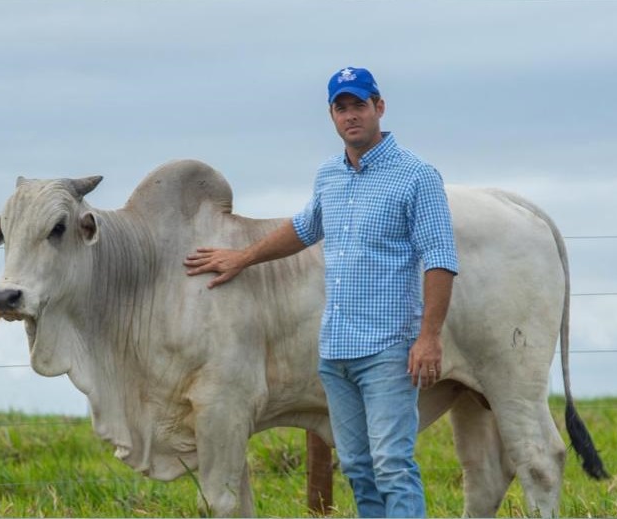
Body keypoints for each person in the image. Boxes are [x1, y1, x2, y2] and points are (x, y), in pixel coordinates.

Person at [183, 66, 458, 518]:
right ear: (332, 115)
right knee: (357, 467)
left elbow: (441, 258)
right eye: (341, 107)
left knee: (391, 465)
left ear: (379, 107)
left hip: (389, 348)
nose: (351, 116)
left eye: (359, 105)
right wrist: (242, 257)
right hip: (335, 353)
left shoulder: (417, 176)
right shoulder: (330, 174)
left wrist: (429, 337)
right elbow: (305, 227)